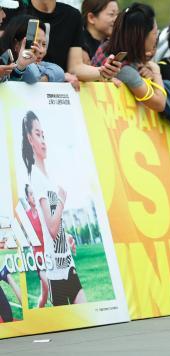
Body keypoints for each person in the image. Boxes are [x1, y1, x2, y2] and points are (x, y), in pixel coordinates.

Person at [22, 111, 85, 306]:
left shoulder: (46, 176)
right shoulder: (36, 177)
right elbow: (50, 226)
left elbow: (53, 226)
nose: (43, 140)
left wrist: (65, 238)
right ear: (29, 138)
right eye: (38, 134)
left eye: (44, 135)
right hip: (55, 273)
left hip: (67, 264)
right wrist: (62, 200)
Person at [4, 0, 121, 83]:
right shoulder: (12, 7)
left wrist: (102, 72)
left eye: (43, 44)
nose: (40, 50)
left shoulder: (72, 16)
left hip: (59, 100)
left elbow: (75, 67)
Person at [92, 3, 166, 113]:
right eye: (155, 32)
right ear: (141, 37)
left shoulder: (107, 47)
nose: (156, 37)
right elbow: (159, 104)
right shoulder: (125, 70)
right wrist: (156, 71)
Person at [0, 14, 64, 83]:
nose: (41, 50)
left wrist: (45, 78)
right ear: (16, 44)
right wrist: (20, 66)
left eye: (44, 44)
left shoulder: (40, 64)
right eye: (34, 44)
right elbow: (33, 75)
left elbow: (59, 71)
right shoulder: (3, 63)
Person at [24, 184, 48, 308]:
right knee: (49, 285)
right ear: (27, 198)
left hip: (50, 256)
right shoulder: (26, 216)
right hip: (39, 259)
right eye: (31, 194)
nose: (34, 196)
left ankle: (39, 310)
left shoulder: (43, 211)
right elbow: (27, 237)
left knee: (44, 295)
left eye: (35, 192)